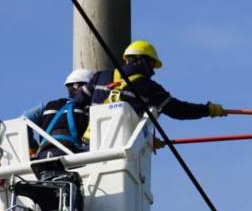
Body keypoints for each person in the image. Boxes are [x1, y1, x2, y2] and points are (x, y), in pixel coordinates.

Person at [72, 41, 227, 146]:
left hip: (90, 145)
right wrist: (208, 110)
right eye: (152, 63)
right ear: (140, 60)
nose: (153, 69)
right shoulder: (149, 87)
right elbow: (179, 110)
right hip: (120, 148)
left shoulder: (100, 77)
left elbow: (77, 103)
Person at [22, 69, 94, 159]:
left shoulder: (47, 106)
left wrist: (33, 146)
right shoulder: (89, 109)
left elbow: (23, 119)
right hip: (72, 156)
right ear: (80, 88)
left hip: (43, 156)